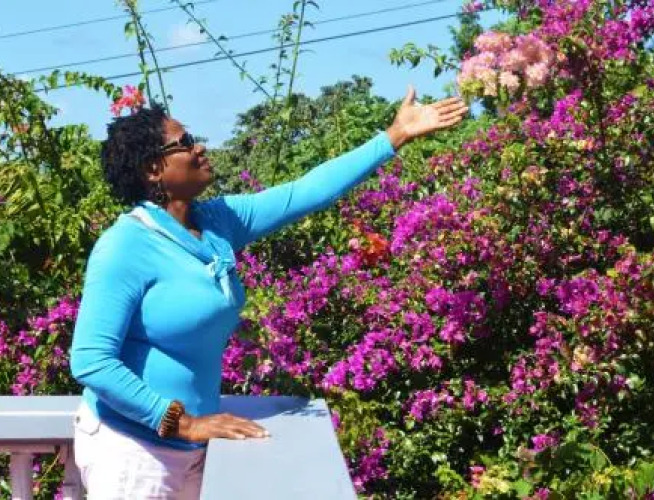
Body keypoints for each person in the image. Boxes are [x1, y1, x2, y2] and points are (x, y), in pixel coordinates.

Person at [69, 85, 469, 499]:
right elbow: (91, 361)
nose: (200, 147)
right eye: (184, 142)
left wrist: (394, 136)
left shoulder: (217, 221)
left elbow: (305, 192)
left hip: (194, 448)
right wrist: (181, 423)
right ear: (154, 169)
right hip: (133, 452)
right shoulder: (126, 245)